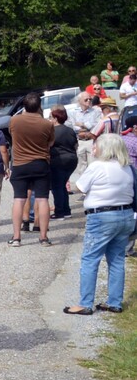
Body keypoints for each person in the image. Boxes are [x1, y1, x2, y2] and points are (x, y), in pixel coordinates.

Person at [63, 133, 135, 316]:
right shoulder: (127, 167)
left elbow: (79, 187)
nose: (94, 149)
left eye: (96, 146)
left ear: (105, 148)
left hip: (102, 217)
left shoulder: (97, 167)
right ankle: (115, 302)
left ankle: (85, 303)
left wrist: (68, 185)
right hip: (125, 215)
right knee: (117, 260)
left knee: (90, 259)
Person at [8, 92, 54, 247]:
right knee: (42, 199)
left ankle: (16, 237)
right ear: (40, 106)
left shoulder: (14, 121)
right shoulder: (47, 124)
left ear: (24, 106)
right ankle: (43, 237)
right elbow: (50, 143)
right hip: (41, 163)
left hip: (20, 164)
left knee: (19, 199)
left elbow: (11, 135)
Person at [49, 106, 79, 219]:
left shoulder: (52, 131)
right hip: (72, 160)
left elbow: (49, 145)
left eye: (51, 117)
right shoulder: (70, 130)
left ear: (55, 118)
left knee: (57, 187)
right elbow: (76, 145)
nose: (50, 120)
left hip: (58, 160)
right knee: (62, 185)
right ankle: (66, 210)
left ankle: (59, 212)